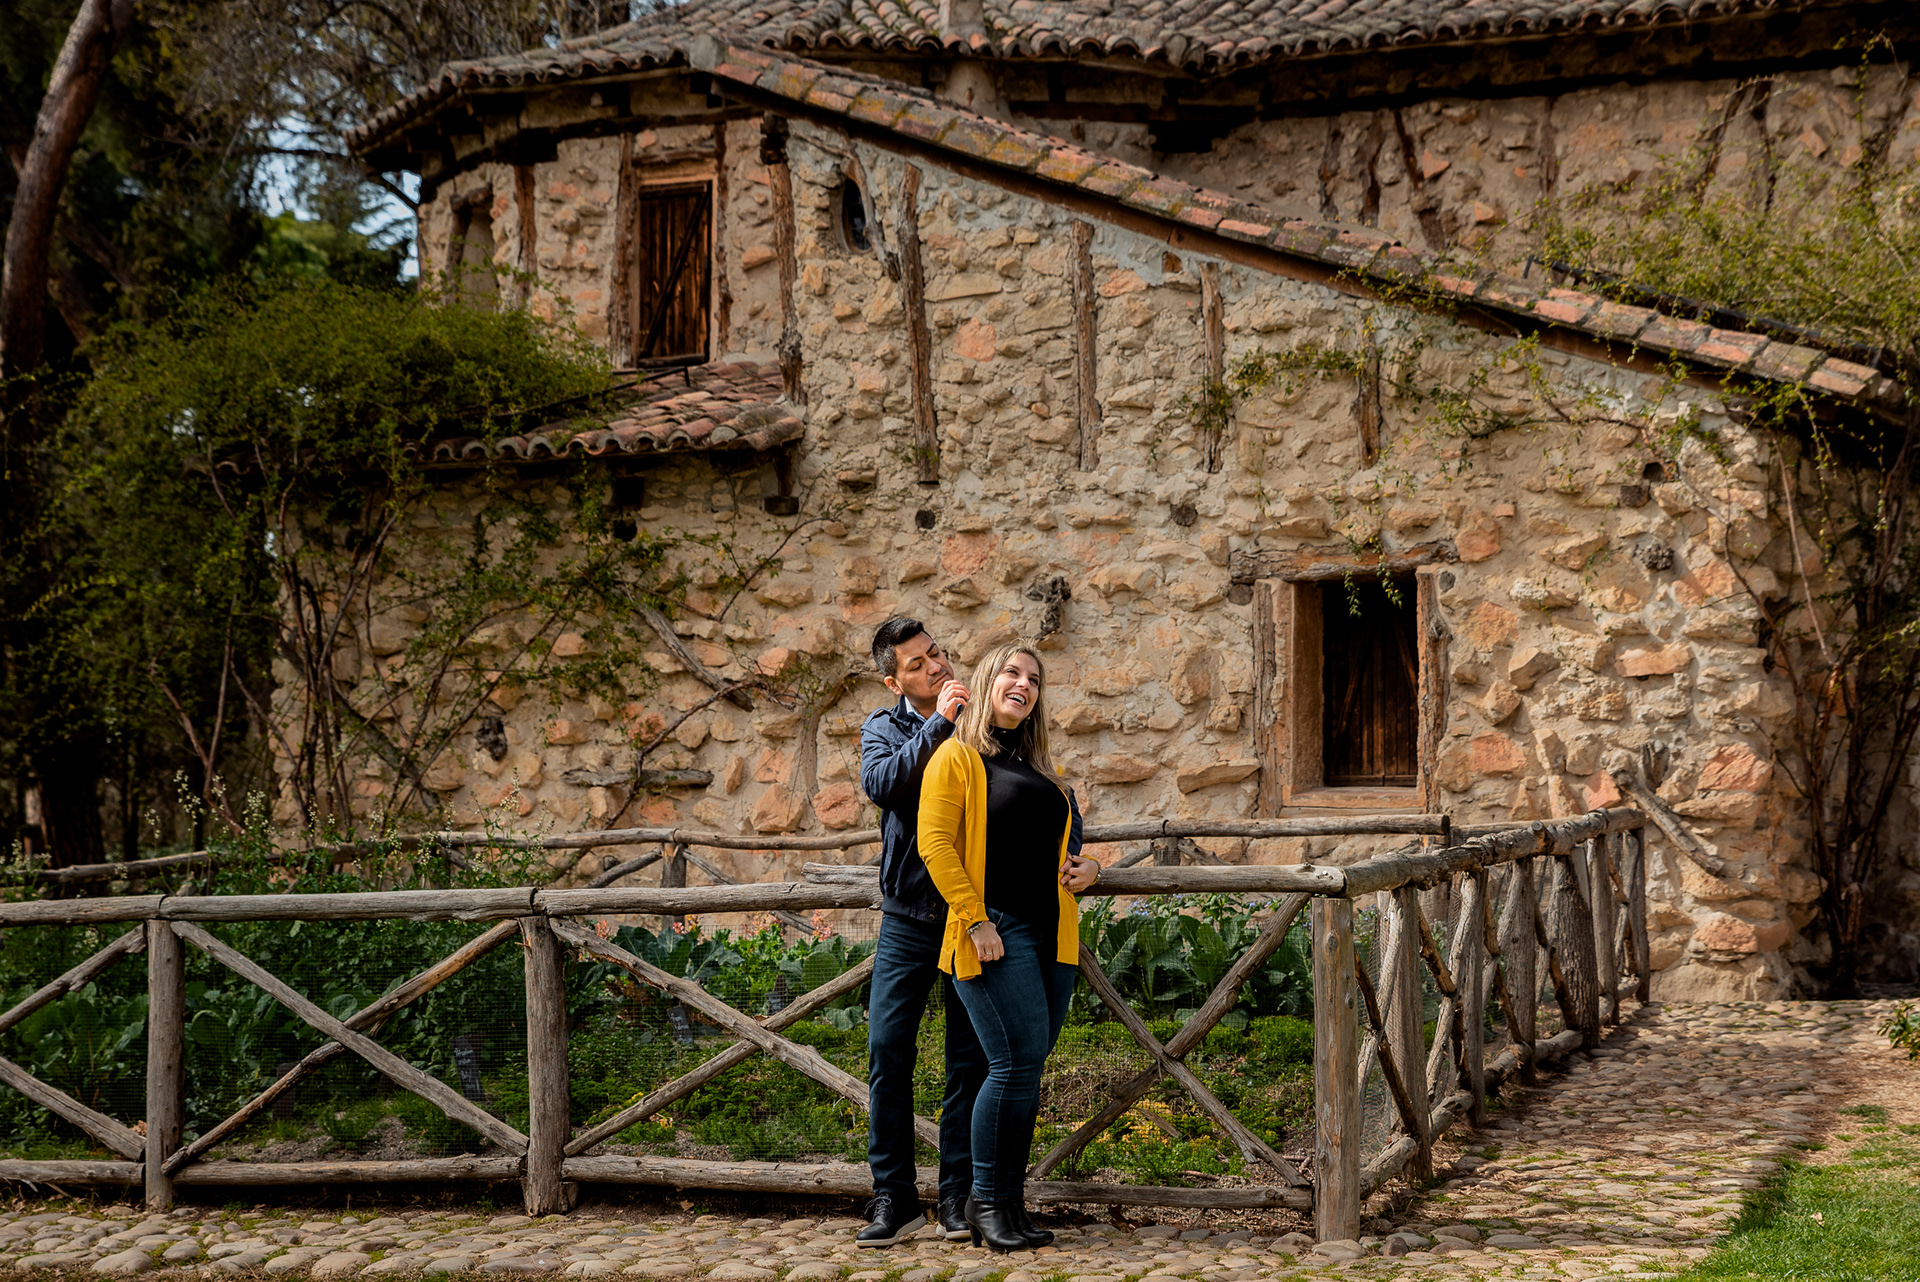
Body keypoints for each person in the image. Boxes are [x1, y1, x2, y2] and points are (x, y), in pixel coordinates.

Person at [917, 641, 1101, 1253]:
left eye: (1035, 679)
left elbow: (1070, 845)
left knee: (1027, 1072)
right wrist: (974, 922)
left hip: (1052, 935)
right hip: (994, 930)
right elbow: (937, 846)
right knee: (1011, 1067)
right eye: (1012, 673)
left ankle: (1010, 1203)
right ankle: (985, 1201)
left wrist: (1091, 869)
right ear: (988, 680)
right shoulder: (956, 757)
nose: (1024, 684)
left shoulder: (1044, 771)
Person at [854, 617, 984, 1247]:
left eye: (937, 654)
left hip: (968, 917)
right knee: (887, 1052)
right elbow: (885, 785)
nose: (935, 667)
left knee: (968, 1060)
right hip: (907, 920)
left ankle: (957, 1195)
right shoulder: (883, 727)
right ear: (893, 679)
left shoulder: (980, 722)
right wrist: (940, 726)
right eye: (917, 663)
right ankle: (894, 1197)